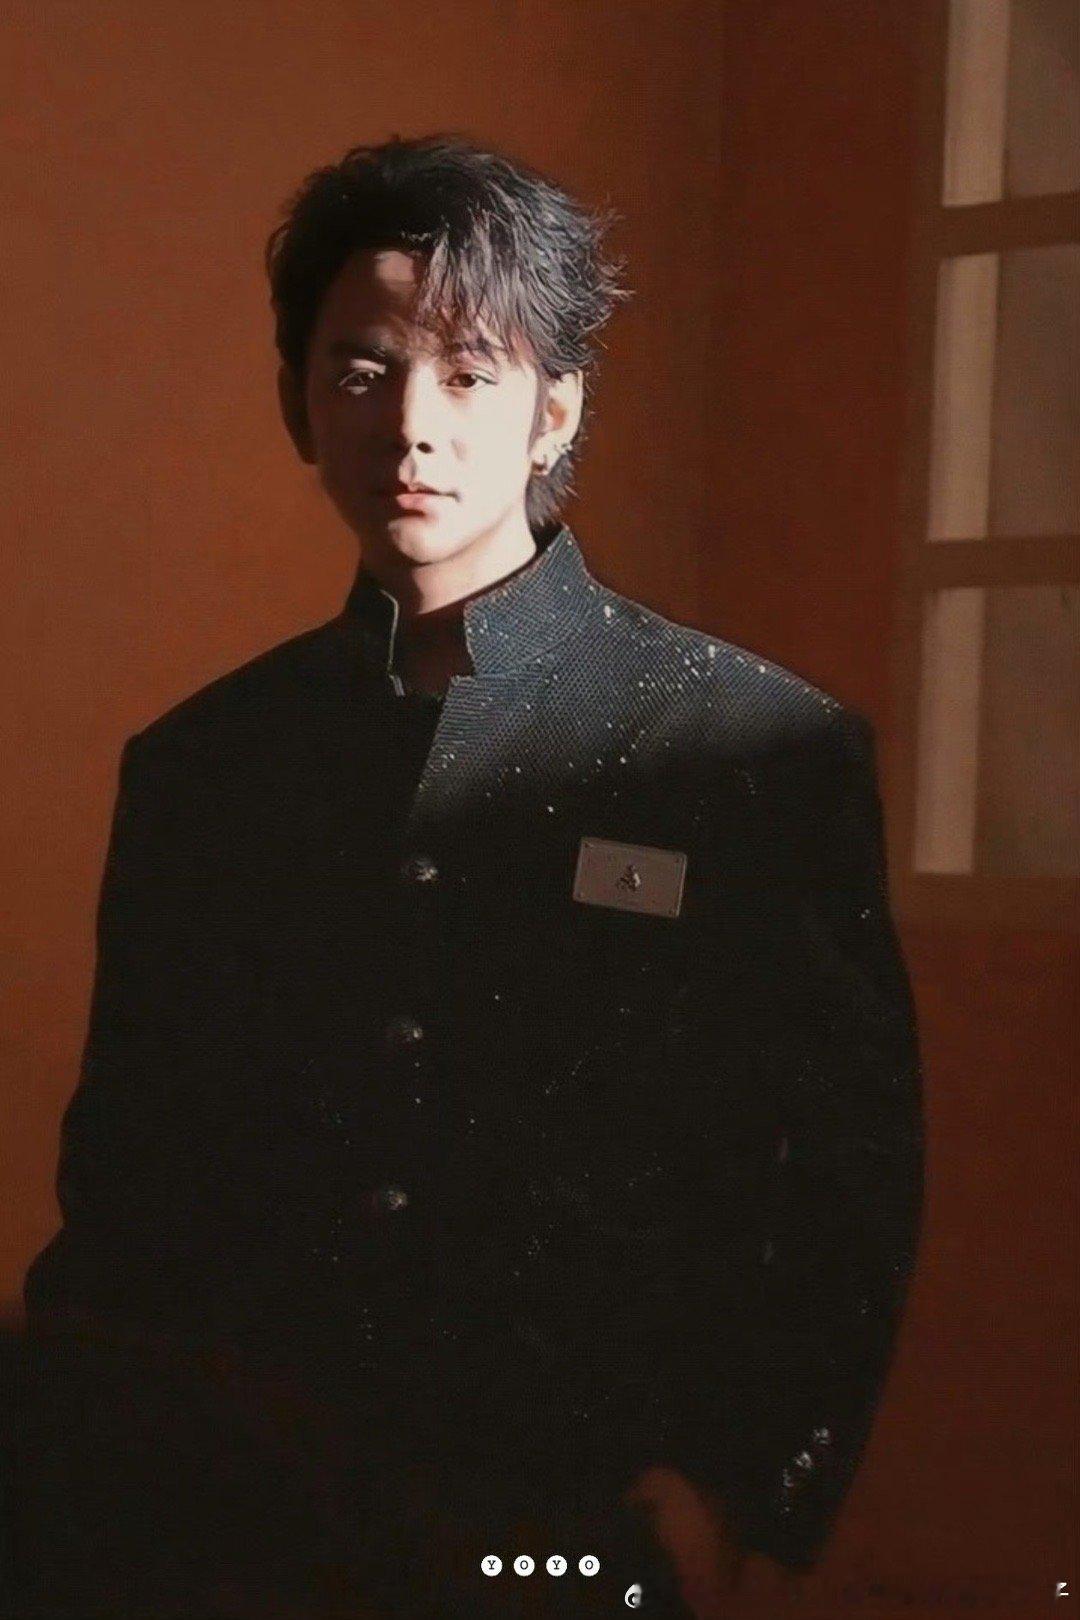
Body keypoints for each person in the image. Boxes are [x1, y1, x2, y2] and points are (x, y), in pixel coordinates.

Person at [21, 133, 924, 1617]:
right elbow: (130, 1173)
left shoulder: (757, 746)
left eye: (469, 375)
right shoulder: (203, 764)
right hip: (242, 1519)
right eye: (363, 373)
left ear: (555, 410)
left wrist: (737, 1486)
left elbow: (845, 1174)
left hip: (586, 1517)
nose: (410, 429)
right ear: (297, 403)